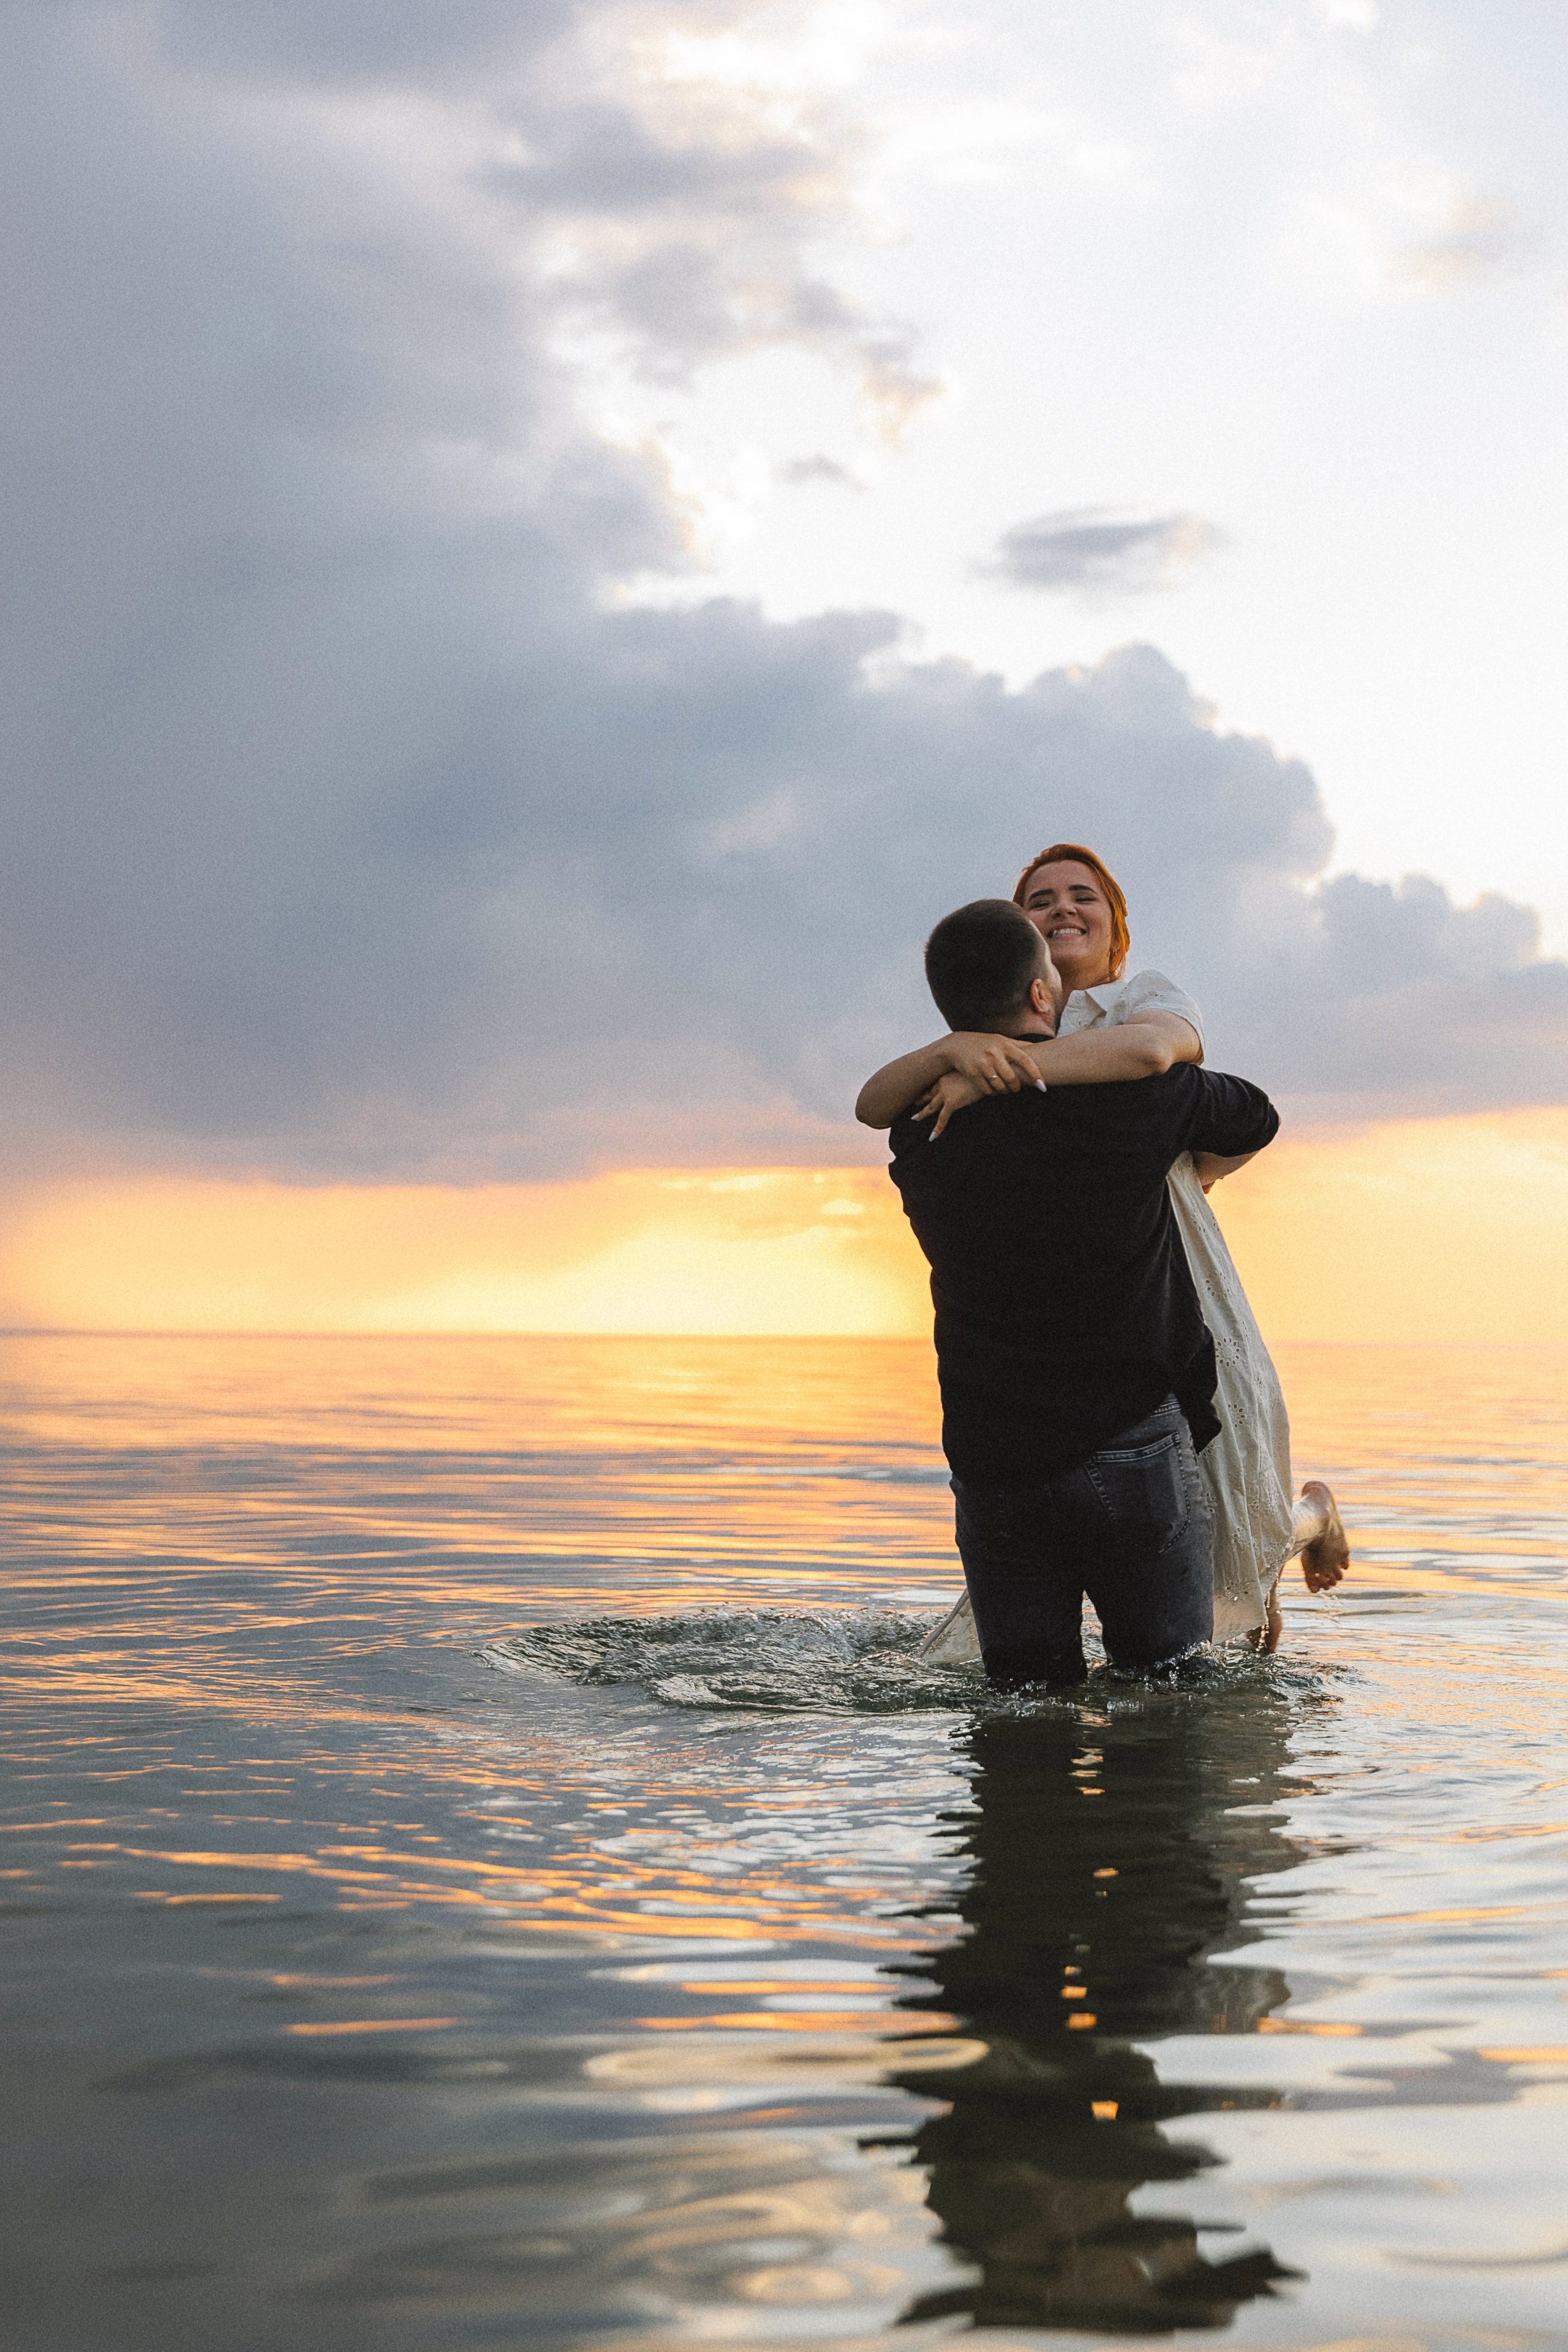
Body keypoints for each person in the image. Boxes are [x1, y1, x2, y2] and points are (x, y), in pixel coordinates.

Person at [858, 843, 1347, 1655]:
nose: (1062, 908)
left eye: (1084, 896)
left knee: (1237, 1505)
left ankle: (1310, 1522)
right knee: (1176, 1565)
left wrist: (993, 1070)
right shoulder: (983, 1048)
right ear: (1030, 961)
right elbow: (874, 1100)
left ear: (1116, 927)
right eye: (1039, 901)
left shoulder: (1142, 999)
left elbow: (1156, 1054)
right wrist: (960, 1057)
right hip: (1092, 1309)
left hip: (1174, 1259)